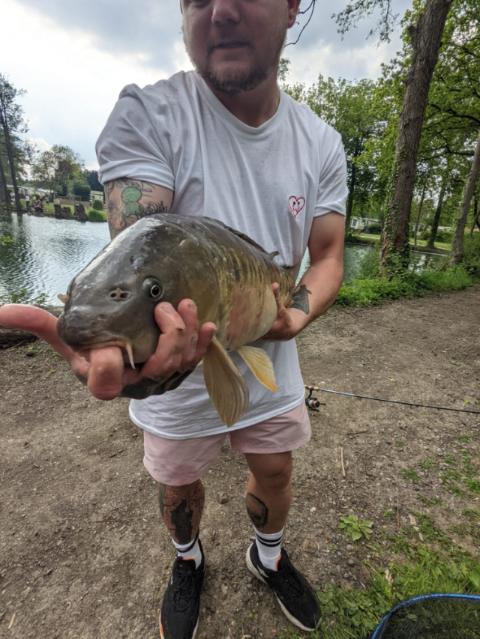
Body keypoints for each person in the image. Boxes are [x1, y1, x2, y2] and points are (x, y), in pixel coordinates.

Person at [0, 1, 347, 636]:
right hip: (180, 375)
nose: (221, 11)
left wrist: (295, 314)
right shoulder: (148, 113)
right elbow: (142, 243)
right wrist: (122, 342)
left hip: (271, 353)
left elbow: (326, 256)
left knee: (275, 469)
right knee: (178, 485)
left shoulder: (321, 142)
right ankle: (188, 558)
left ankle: (268, 556)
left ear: (295, 5)